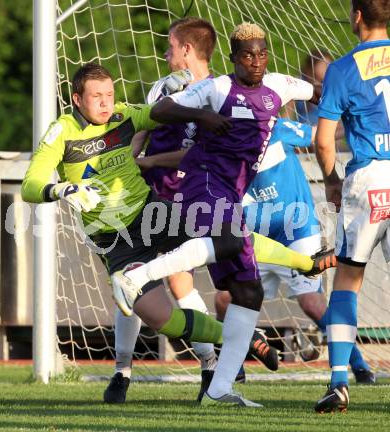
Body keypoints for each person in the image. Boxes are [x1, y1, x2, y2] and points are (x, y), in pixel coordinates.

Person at [21, 61, 330, 408]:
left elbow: (160, 113)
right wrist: (62, 189)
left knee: (226, 230)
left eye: (109, 94)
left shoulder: (124, 115)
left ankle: (306, 263)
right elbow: (30, 184)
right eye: (97, 97)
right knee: (160, 318)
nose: (106, 103)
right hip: (117, 242)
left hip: (153, 214)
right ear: (77, 99)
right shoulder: (61, 132)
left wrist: (189, 103)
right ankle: (240, 339)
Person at [111, 22, 336, 406]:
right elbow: (162, 108)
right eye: (247, 55)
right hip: (203, 180)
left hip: (232, 191)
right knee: (229, 239)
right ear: (233, 59)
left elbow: (321, 92)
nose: (256, 60)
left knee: (247, 293)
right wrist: (202, 117)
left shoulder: (279, 85)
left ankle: (218, 389)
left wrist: (347, 94)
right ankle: (139, 275)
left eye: (261, 53)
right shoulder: (215, 88)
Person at [213, 118, 374, 384]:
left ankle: (359, 365)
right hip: (258, 239)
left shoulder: (277, 129)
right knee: (223, 301)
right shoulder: (221, 145)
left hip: (298, 230)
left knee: (311, 302)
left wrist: (352, 119)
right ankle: (234, 365)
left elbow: (319, 135)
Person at [314, 0, 390, 414]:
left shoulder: (343, 68)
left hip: (370, 179)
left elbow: (324, 141)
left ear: (357, 15)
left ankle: (340, 383)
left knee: (347, 280)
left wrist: (331, 182)